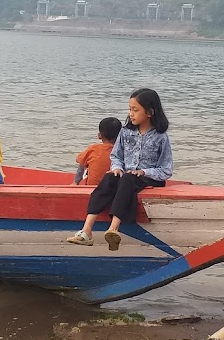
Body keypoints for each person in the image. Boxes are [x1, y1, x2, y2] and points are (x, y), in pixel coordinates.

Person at [67, 88, 172, 251]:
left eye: (135, 110)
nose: (131, 114)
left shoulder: (161, 137)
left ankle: (113, 228)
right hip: (127, 177)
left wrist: (144, 172)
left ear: (150, 112)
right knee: (110, 177)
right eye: (130, 109)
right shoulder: (125, 132)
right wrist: (116, 168)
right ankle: (86, 231)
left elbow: (166, 170)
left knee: (128, 179)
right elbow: (116, 156)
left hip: (149, 178)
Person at [73, 117, 122, 186]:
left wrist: (76, 182)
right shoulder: (123, 151)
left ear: (99, 136)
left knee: (83, 161)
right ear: (120, 136)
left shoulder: (94, 149)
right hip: (115, 188)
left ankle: (75, 183)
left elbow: (78, 160)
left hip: (91, 187)